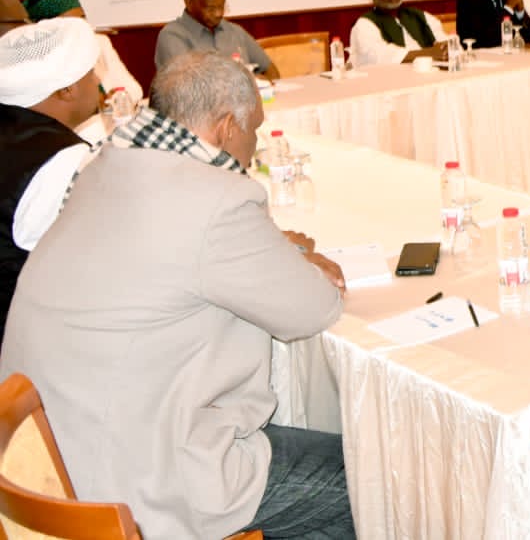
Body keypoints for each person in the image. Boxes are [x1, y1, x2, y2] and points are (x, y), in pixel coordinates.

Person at [0, 50, 352, 539]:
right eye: (253, 130)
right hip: (136, 484)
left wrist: (275, 250)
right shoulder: (217, 199)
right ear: (227, 127)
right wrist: (297, 261)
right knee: (370, 481)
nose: (253, 146)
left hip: (50, 462)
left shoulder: (104, 166)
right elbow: (313, 308)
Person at [0, 17, 101, 345]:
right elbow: (79, 270)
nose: (98, 82)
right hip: (22, 341)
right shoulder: (60, 159)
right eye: (91, 74)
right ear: (67, 89)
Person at [22, 0, 143, 104]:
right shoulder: (42, 61)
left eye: (82, 18)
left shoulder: (99, 42)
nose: (82, 26)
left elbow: (135, 90)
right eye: (72, 23)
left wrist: (110, 100)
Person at [155, 0, 280, 79]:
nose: (219, 13)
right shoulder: (172, 36)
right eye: (210, 8)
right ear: (188, 2)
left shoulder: (235, 31)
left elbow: (271, 71)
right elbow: (187, 89)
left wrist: (262, 84)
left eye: (222, 6)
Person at [349, 0, 445, 67]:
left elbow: (441, 39)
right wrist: (430, 53)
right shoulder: (365, 24)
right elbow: (381, 55)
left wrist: (446, 47)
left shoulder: (418, 15)